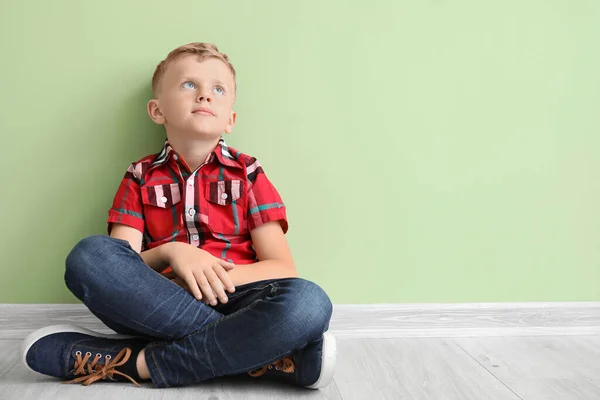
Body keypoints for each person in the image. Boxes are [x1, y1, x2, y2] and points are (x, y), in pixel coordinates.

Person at [21, 42, 336, 389]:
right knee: (89, 256)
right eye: (189, 85)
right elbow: (120, 263)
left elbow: (282, 268)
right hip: (159, 302)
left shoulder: (249, 173)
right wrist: (172, 252)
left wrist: (211, 280)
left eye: (218, 89)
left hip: (241, 300)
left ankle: (137, 363)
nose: (205, 96)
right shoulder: (140, 176)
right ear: (157, 111)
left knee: (309, 303)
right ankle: (263, 357)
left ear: (230, 119)